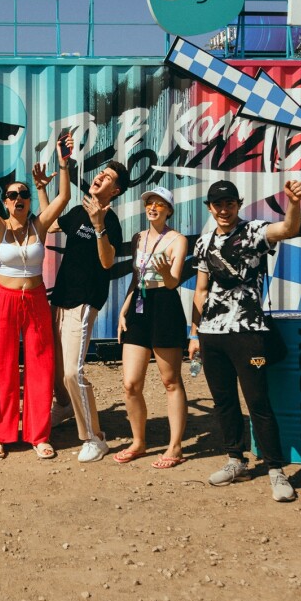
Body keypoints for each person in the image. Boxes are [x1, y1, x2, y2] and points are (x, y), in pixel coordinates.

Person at [191, 179, 301, 503]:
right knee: (224, 401)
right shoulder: (204, 242)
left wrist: (293, 203)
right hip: (212, 335)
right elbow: (200, 290)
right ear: (210, 208)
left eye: (229, 203)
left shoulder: (254, 231)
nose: (223, 210)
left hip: (248, 332)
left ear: (238, 204)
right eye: (217, 204)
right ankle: (235, 460)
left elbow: (288, 229)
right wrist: (196, 332)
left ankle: (276, 470)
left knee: (258, 401)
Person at [0, 131, 73, 460]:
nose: (18, 199)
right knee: (1, 367)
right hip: (4, 299)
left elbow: (63, 198)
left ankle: (38, 435)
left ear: (29, 201)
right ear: (5, 202)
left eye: (24, 195)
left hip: (36, 299)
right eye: (12, 195)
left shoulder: (38, 226)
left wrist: (64, 163)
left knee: (41, 365)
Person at [45, 160, 127, 462]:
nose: (101, 176)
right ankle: (65, 405)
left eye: (109, 177)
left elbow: (107, 262)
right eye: (101, 172)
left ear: (115, 190)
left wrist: (98, 226)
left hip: (84, 301)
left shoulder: (110, 222)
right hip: (61, 297)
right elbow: (49, 222)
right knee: (55, 365)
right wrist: (42, 189)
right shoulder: (79, 211)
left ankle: (95, 437)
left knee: (72, 371)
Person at [114, 186, 190, 468]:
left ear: (169, 210)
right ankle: (139, 442)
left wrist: (166, 271)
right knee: (130, 383)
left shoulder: (177, 240)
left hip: (165, 305)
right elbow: (137, 278)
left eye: (159, 204)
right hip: (139, 304)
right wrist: (124, 310)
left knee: (171, 381)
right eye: (149, 203)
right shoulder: (139, 238)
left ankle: (175, 447)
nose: (153, 207)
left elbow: (173, 282)